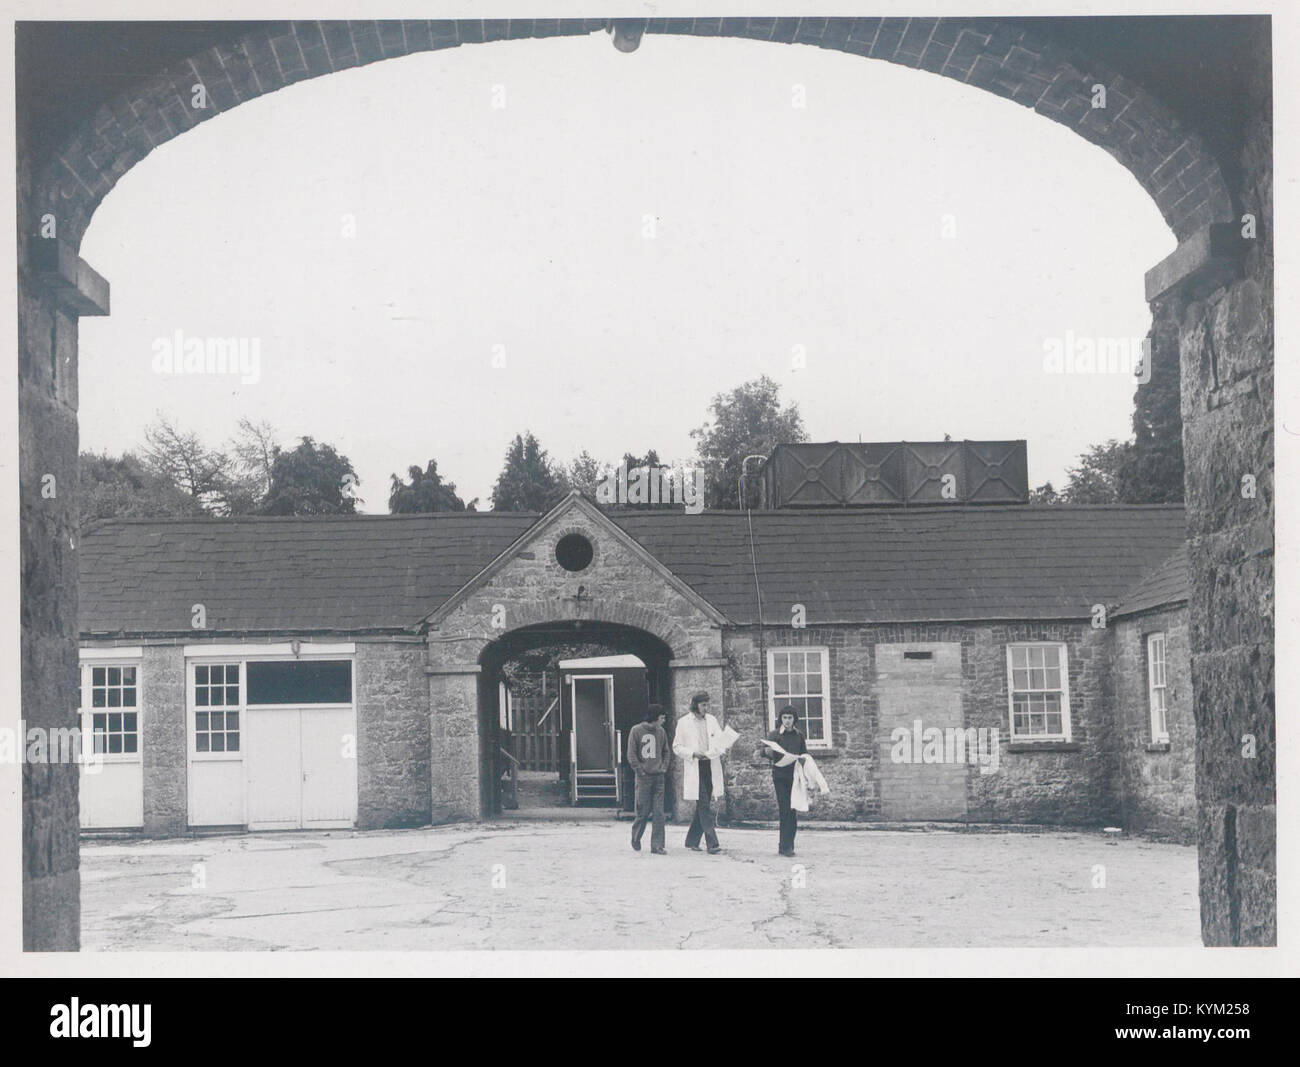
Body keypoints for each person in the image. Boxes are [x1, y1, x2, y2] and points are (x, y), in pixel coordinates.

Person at [671, 690, 725, 854]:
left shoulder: (712, 720)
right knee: (703, 804)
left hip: (710, 764)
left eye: (708, 704)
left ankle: (691, 840)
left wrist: (721, 747)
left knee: (704, 803)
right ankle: (712, 843)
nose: (706, 708)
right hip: (695, 765)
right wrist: (692, 753)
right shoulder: (684, 722)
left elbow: (720, 740)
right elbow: (677, 747)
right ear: (695, 705)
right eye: (703, 705)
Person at [763, 705, 809, 857]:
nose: (787, 721)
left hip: (795, 777)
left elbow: (805, 754)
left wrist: (802, 761)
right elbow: (764, 752)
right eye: (784, 718)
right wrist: (767, 752)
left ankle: (790, 844)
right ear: (780, 719)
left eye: (790, 718)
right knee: (785, 810)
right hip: (780, 776)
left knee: (793, 810)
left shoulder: (799, 736)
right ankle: (784, 846)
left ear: (794, 719)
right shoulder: (774, 735)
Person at [628, 704, 671, 854]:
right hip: (643, 778)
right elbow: (631, 754)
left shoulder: (661, 732)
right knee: (643, 811)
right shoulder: (636, 731)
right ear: (654, 717)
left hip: (658, 777)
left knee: (659, 812)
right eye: (662, 717)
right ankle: (636, 837)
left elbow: (666, 751)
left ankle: (657, 845)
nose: (664, 720)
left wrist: (664, 768)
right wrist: (640, 771)